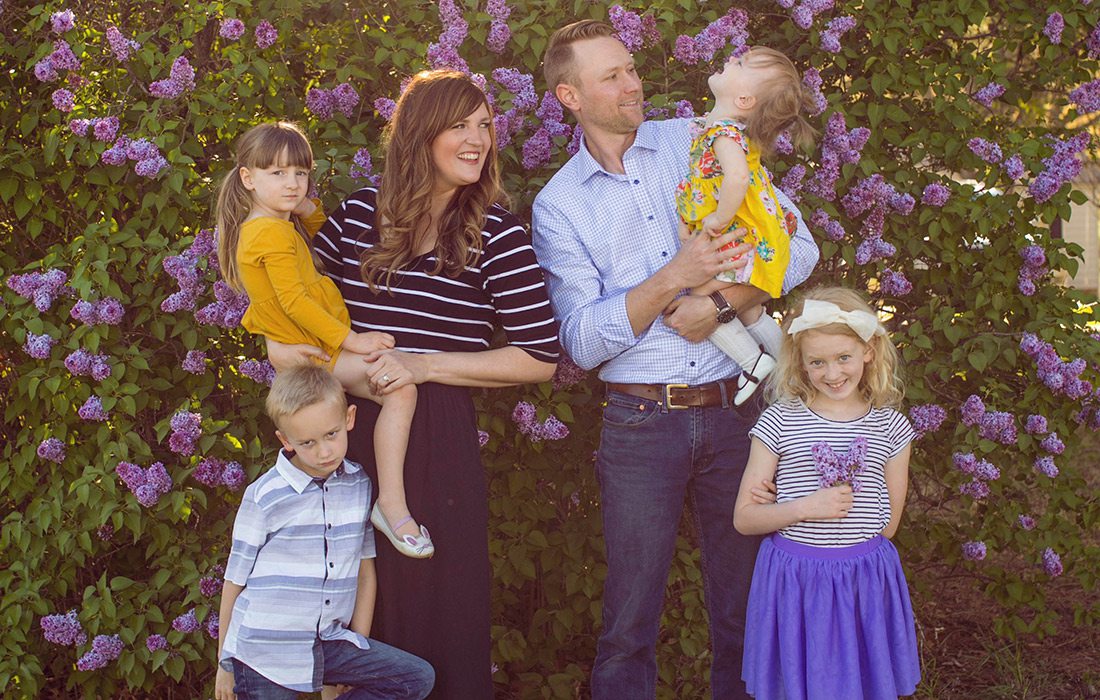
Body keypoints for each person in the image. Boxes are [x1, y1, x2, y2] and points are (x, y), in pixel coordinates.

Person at [531, 20, 819, 700]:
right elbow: (581, 339)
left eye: (631, 68)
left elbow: (798, 246)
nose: (633, 84)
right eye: (612, 77)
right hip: (639, 423)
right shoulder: (559, 205)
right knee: (629, 621)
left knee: (746, 610)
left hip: (738, 412)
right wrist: (671, 277)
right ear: (570, 96)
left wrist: (721, 304)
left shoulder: (702, 137)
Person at [266, 70, 560, 698]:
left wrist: (424, 365)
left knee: (437, 611)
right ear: (422, 133)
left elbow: (540, 357)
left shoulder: (498, 234)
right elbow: (289, 323)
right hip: (336, 430)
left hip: (436, 442)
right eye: (460, 125)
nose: (477, 139)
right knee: (336, 600)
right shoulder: (353, 217)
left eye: (485, 126)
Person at [215, 121, 432, 559]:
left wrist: (307, 210)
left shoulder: (269, 223)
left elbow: (314, 242)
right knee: (401, 389)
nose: (292, 183)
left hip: (315, 347)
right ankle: (391, 505)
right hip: (321, 352)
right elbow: (294, 301)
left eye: (299, 173)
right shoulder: (270, 232)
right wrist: (352, 340)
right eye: (277, 174)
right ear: (247, 178)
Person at [733, 287, 920, 699]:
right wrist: (802, 507)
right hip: (796, 577)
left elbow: (887, 527)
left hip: (863, 578)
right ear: (800, 361)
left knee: (860, 684)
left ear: (868, 351)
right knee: (801, 682)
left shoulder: (890, 429)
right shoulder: (781, 421)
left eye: (843, 358)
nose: (832, 373)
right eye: (817, 362)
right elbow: (745, 519)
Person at [214, 364, 435, 700]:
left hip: (329, 643)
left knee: (416, 679)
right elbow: (235, 582)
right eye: (308, 442)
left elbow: (365, 573)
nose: (324, 451)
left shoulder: (358, 484)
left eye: (331, 435)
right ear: (286, 441)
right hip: (264, 651)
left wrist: (356, 648)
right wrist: (224, 663)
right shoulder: (264, 496)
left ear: (349, 418)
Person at [675, 47, 817, 406]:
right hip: (756, 232)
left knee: (699, 291)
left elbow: (736, 178)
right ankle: (796, 371)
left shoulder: (723, 133)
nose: (729, 60)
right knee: (750, 309)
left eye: (738, 64)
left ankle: (752, 361)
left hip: (740, 234)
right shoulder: (726, 130)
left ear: (743, 98)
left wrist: (718, 220)